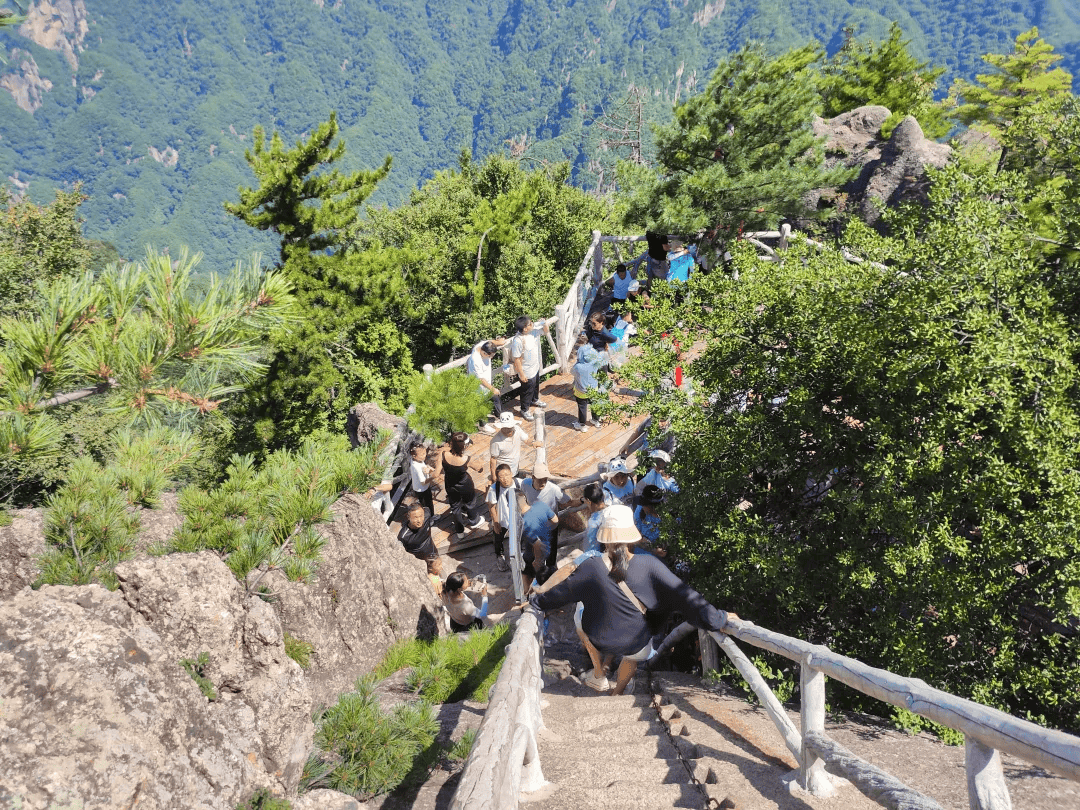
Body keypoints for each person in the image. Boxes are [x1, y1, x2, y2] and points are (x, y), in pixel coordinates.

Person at [531, 505, 734, 695]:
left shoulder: (591, 566)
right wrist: (718, 619)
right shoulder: (650, 565)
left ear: (605, 537)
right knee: (633, 653)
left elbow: (562, 593)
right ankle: (618, 692)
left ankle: (598, 672)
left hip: (599, 638)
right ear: (630, 535)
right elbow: (685, 596)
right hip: (636, 642)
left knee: (579, 611)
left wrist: (536, 603)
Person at [434, 431, 487, 538]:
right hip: (465, 485)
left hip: (450, 484)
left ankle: (459, 531)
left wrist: (429, 471)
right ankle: (474, 520)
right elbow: (479, 469)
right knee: (470, 503)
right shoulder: (466, 459)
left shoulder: (443, 455)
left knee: (455, 507)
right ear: (464, 446)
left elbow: (436, 474)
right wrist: (481, 464)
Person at [519, 492, 559, 594]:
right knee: (549, 571)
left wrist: (537, 561)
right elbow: (555, 520)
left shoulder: (523, 522)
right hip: (549, 547)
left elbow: (536, 544)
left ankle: (527, 594)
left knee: (530, 573)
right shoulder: (540, 505)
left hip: (535, 554)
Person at [512, 315, 549, 420]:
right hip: (526, 370)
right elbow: (517, 359)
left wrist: (544, 323)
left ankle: (535, 400)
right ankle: (524, 409)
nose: (532, 324)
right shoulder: (518, 340)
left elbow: (546, 331)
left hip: (535, 366)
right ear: (525, 328)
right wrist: (522, 374)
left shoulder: (533, 332)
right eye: (530, 323)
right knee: (526, 391)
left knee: (536, 386)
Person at [467, 338, 508, 434]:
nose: (491, 358)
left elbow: (491, 341)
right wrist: (492, 388)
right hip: (478, 386)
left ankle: (500, 416)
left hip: (487, 382)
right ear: (484, 353)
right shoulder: (475, 360)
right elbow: (480, 379)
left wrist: (499, 342)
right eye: (490, 356)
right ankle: (483, 426)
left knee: (496, 397)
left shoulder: (482, 345)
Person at [488, 411, 540, 481]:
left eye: (509, 427)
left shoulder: (517, 429)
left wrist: (533, 443)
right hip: (504, 472)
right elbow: (493, 459)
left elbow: (527, 440)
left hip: (515, 468)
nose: (507, 430)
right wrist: (493, 475)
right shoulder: (495, 441)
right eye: (504, 428)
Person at [485, 463, 517, 571]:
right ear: (497, 478)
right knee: (498, 537)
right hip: (502, 519)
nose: (505, 479)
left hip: (516, 518)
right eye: (501, 477)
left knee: (518, 538)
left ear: (511, 474)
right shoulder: (494, 488)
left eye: (507, 475)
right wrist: (496, 522)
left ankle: (518, 556)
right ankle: (500, 555)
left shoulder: (519, 484)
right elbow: (491, 506)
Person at [571, 343, 608, 432]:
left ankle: (582, 425)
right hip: (593, 389)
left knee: (582, 407)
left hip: (581, 391)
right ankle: (596, 420)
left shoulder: (578, 367)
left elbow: (572, 372)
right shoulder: (595, 362)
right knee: (595, 404)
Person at [397, 502, 439, 571]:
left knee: (436, 567)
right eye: (415, 517)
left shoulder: (427, 515)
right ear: (408, 517)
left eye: (421, 516)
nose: (419, 520)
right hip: (419, 559)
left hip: (432, 550)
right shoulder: (403, 536)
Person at [633, 484, 666, 557]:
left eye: (645, 504)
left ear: (653, 507)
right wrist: (652, 549)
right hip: (640, 552)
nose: (642, 506)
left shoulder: (666, 520)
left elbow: (665, 551)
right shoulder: (640, 510)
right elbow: (634, 536)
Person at [409, 444, 436, 516]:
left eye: (425, 453)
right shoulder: (417, 468)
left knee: (424, 503)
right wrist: (433, 476)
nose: (424, 455)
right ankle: (431, 517)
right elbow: (423, 482)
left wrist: (427, 467)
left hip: (418, 487)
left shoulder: (416, 460)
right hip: (423, 489)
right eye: (422, 454)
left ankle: (429, 516)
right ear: (414, 456)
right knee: (428, 504)